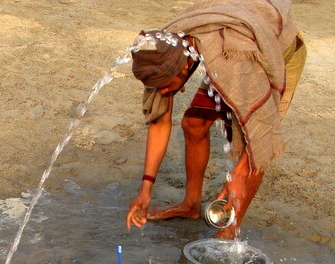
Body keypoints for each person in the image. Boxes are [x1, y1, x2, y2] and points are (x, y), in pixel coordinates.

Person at [125, 0, 307, 239]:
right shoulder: (162, 51)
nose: (164, 93)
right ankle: (190, 205)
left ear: (183, 69)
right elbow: (159, 121)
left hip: (277, 51)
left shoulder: (231, 59)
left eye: (167, 88)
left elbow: (261, 130)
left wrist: (239, 175)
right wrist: (145, 189)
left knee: (250, 147)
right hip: (238, 34)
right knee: (193, 124)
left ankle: (230, 230)